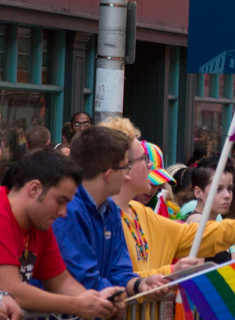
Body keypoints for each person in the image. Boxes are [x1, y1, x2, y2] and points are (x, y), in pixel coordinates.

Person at [110, 138, 235, 277]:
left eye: (229, 188)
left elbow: (194, 235)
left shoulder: (141, 212)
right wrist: (166, 276)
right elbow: (114, 281)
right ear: (124, 168)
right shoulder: (103, 215)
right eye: (144, 160)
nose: (149, 167)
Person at [0, 151, 116, 319]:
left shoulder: (39, 225)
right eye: (60, 201)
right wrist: (77, 305)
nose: (63, 212)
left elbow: (61, 282)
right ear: (34, 189)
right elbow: (11, 289)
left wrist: (99, 301)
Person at [53, 126, 167, 300]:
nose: (126, 174)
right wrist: (119, 293)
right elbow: (82, 277)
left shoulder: (111, 208)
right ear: (108, 174)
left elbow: (119, 270)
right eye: (124, 168)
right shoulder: (68, 209)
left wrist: (140, 284)